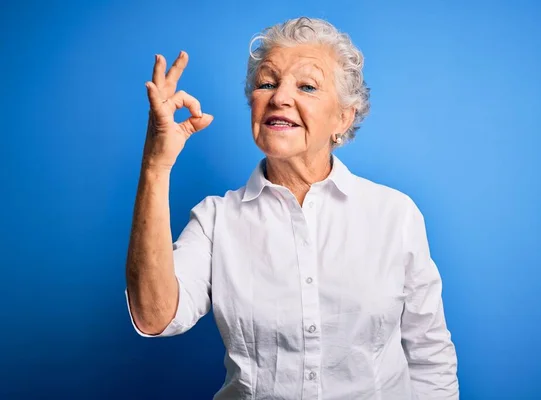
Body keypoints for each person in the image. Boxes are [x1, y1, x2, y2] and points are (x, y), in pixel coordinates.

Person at [125, 16, 459, 400]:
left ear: (343, 117)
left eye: (307, 86)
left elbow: (430, 356)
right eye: (267, 83)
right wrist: (156, 164)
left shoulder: (395, 215)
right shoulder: (216, 220)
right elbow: (154, 317)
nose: (280, 97)